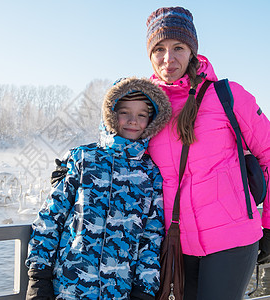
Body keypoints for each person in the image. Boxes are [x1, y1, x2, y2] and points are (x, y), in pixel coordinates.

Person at [144, 6, 270, 300]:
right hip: (176, 243)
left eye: (178, 47)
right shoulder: (146, 106)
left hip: (232, 240)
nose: (168, 58)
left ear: (192, 51)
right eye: (159, 49)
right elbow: (119, 156)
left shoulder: (227, 95)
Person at [25, 77, 172, 300]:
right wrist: (38, 276)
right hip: (68, 288)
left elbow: (151, 237)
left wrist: (145, 290)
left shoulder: (150, 173)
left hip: (119, 292)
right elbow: (50, 218)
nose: (133, 120)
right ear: (111, 114)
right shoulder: (83, 158)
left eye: (142, 115)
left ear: (151, 121)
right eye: (125, 112)